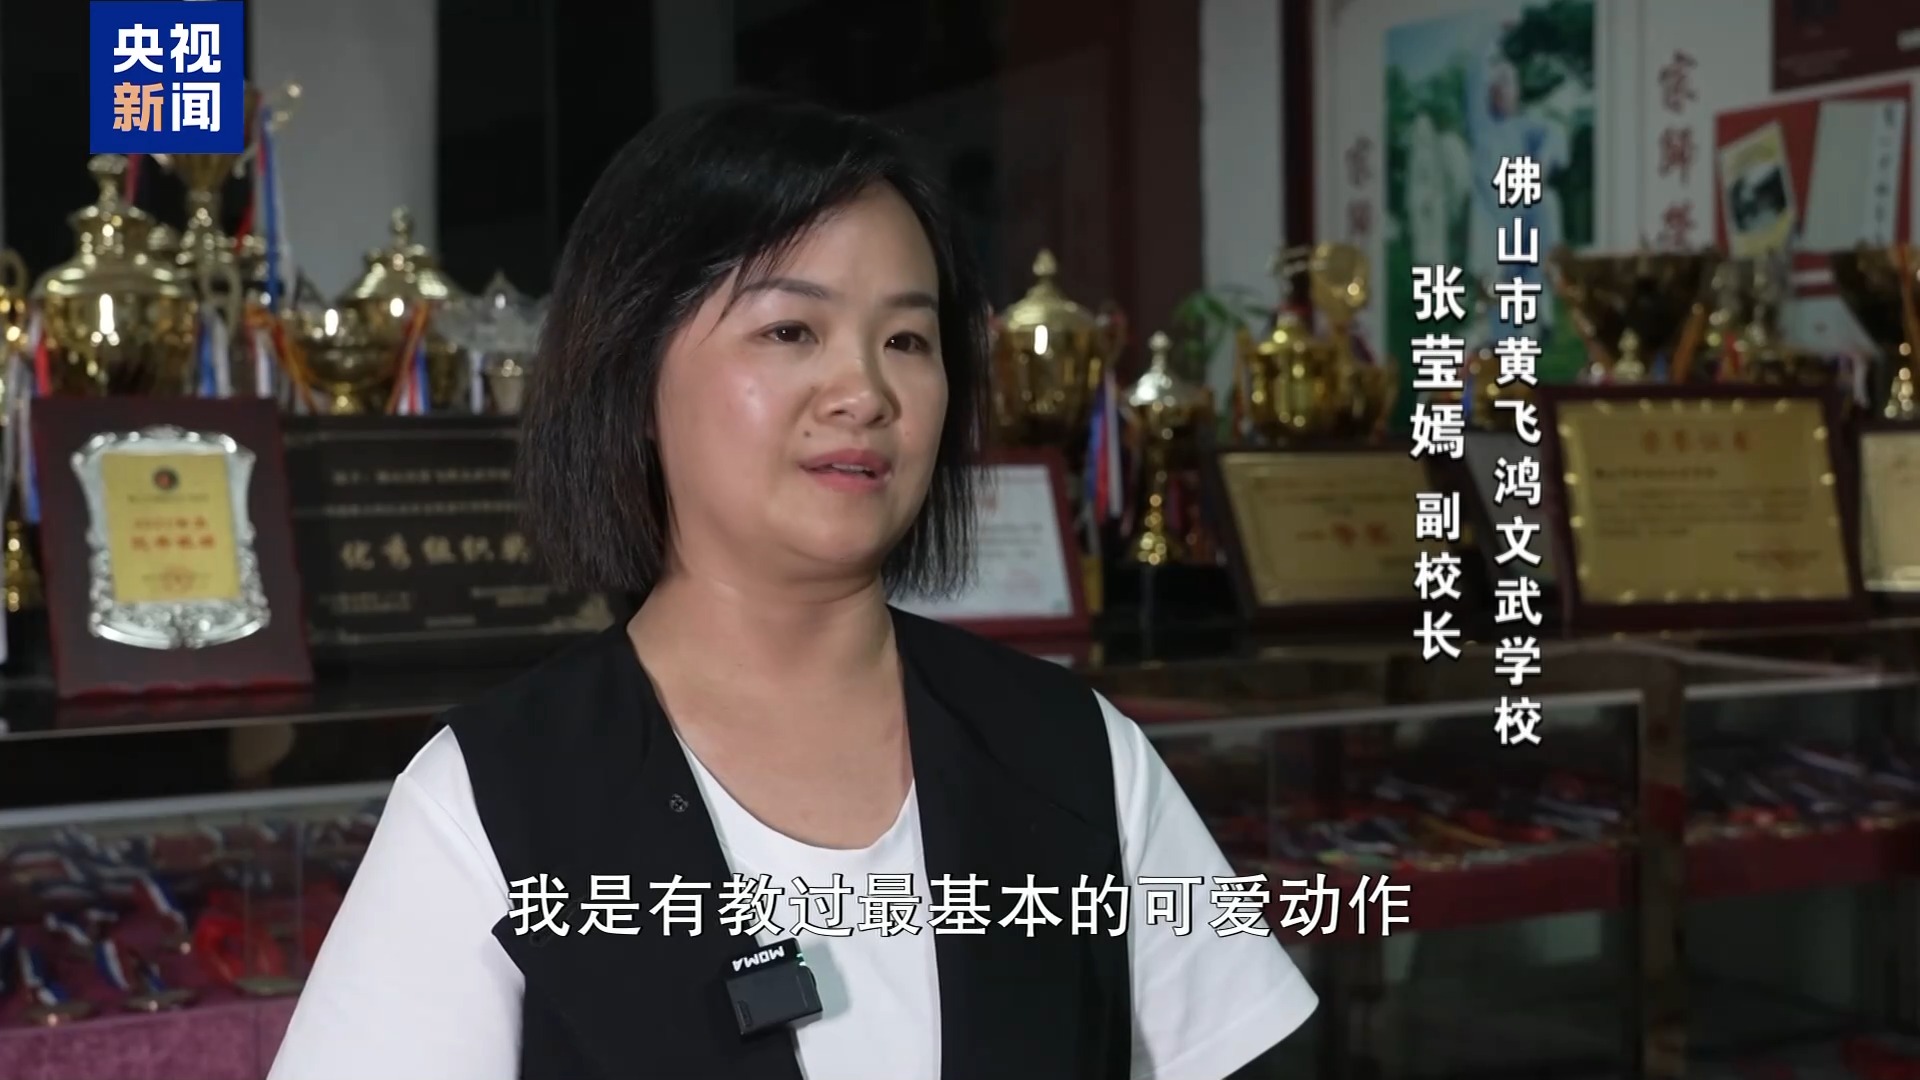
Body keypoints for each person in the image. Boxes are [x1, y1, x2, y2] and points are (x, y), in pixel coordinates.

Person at [267, 92, 1315, 1080]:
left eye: (907, 339)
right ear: (631, 372)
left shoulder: (1077, 754)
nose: (865, 391)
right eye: (790, 331)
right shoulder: (491, 802)